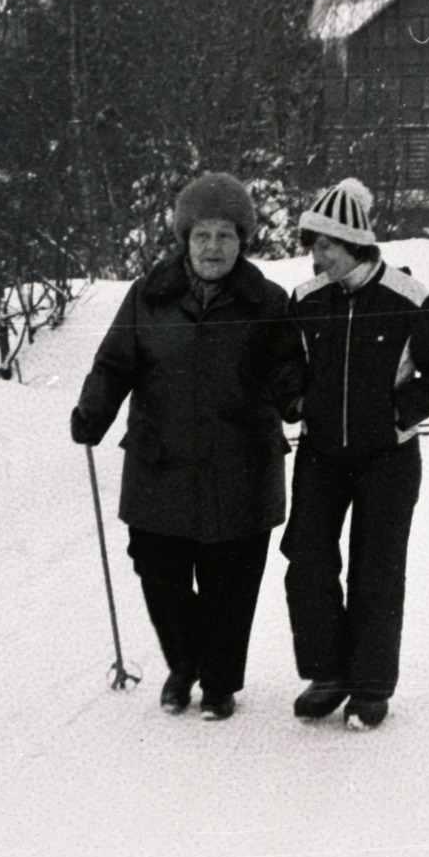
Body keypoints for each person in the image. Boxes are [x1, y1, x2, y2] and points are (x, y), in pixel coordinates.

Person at [71, 172, 300, 721]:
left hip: (240, 463)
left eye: (225, 235)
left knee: (232, 581)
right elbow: (114, 361)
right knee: (159, 571)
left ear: (242, 240)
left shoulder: (266, 302)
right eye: (202, 235)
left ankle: (219, 682)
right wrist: (93, 412)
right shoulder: (149, 294)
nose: (213, 247)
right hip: (161, 461)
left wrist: (299, 401)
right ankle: (184, 665)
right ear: (184, 238)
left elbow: (288, 366)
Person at [281, 179, 429, 731]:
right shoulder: (307, 299)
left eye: (327, 246)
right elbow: (286, 362)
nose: (318, 256)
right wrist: (295, 400)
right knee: (307, 560)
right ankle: (329, 674)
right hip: (320, 454)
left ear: (355, 243)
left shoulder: (410, 299)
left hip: (389, 459)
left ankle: (370, 687)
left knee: (376, 572)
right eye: (313, 246)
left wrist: (399, 414)